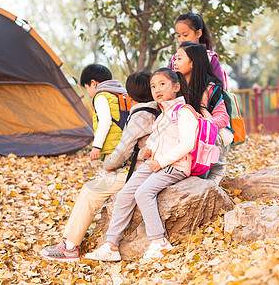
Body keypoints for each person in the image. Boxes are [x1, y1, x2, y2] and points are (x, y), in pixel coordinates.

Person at [39, 70, 159, 262]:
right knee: (95, 186)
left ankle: (69, 247)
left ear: (131, 96)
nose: (124, 97)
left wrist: (110, 164)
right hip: (141, 168)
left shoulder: (141, 116)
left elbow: (123, 150)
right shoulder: (154, 111)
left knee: (90, 191)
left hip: (135, 171)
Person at [84, 68, 198, 261]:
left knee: (143, 193)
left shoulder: (184, 112)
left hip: (175, 166)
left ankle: (159, 242)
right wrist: (149, 150)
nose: (157, 89)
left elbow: (188, 143)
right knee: (126, 192)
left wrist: (161, 161)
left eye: (162, 84)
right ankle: (111, 245)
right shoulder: (161, 115)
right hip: (156, 163)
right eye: (153, 86)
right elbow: (156, 139)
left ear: (176, 87)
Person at [173, 41, 231, 185]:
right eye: (175, 58)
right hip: (183, 138)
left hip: (203, 136)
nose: (174, 62)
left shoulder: (210, 89)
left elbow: (223, 118)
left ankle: (217, 170)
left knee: (212, 135)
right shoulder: (174, 87)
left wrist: (203, 122)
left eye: (179, 58)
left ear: (192, 63)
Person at [80, 64, 127, 161]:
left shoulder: (101, 97)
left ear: (93, 83)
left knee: (111, 175)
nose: (88, 93)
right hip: (127, 145)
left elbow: (105, 121)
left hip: (113, 149)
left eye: (86, 88)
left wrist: (96, 146)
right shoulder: (120, 94)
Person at [170, 12, 228, 90]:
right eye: (178, 36)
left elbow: (220, 86)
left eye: (185, 35)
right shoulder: (175, 60)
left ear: (198, 33)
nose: (181, 39)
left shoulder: (209, 58)